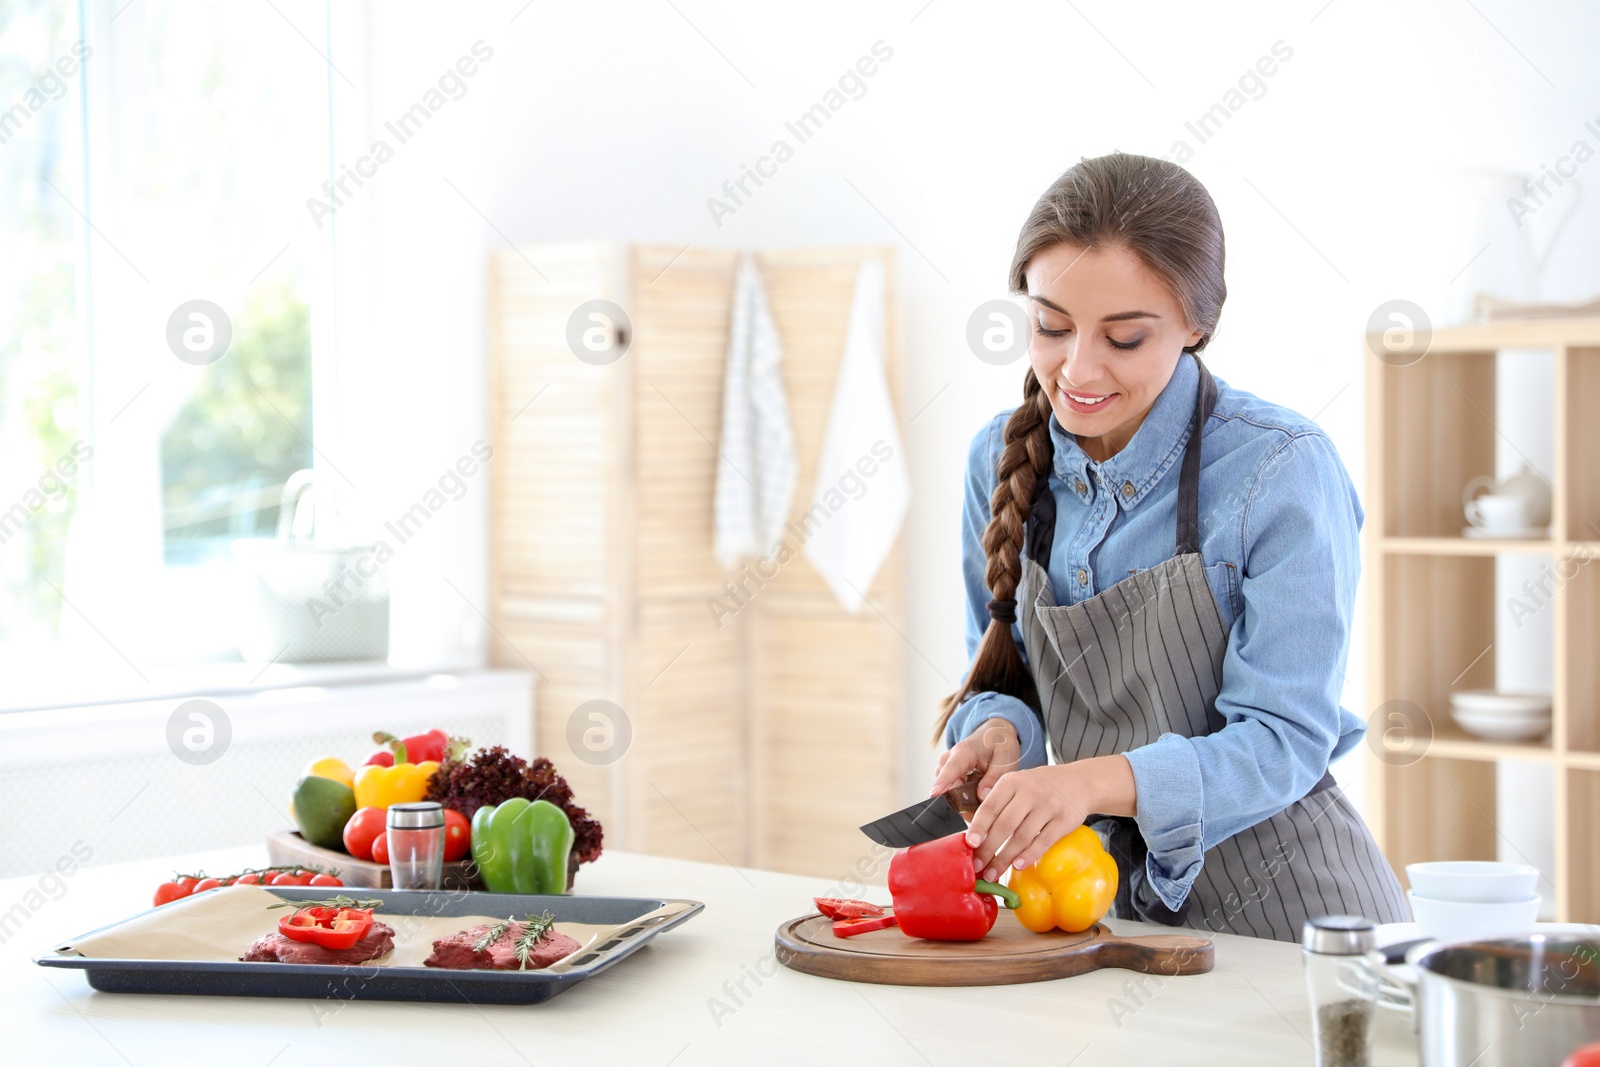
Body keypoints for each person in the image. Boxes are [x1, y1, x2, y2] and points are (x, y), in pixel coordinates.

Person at [928, 152, 1410, 941]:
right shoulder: (998, 458)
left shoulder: (1280, 468)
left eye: (1123, 337)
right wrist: (1001, 730)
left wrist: (1085, 782)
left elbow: (1283, 741)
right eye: (1051, 326)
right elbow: (997, 665)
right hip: (1107, 920)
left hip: (1296, 924)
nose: (1076, 368)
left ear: (1196, 324)